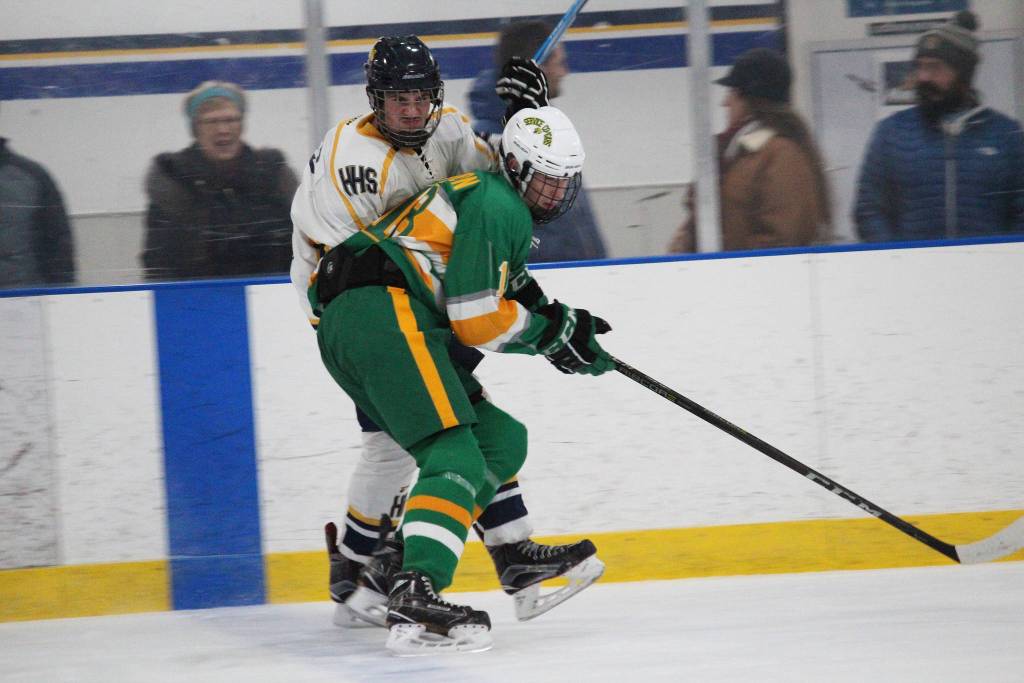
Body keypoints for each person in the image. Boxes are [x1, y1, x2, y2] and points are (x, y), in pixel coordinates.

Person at [290, 36, 604, 629]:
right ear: (373, 100)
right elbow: (380, 259)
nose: (410, 110)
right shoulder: (354, 161)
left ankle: (471, 556)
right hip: (354, 300)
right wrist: (541, 327)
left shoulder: (452, 131)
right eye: (396, 98)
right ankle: (390, 572)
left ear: (435, 95)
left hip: (405, 303)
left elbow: (499, 184)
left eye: (420, 96)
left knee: (489, 437)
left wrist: (524, 118)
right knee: (425, 444)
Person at [854, 11, 1024, 242]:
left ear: (963, 74)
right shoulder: (891, 133)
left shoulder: (1006, 136)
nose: (923, 77)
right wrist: (897, 259)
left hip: (988, 272)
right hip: (911, 273)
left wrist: (1002, 258)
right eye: (919, 67)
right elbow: (868, 209)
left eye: (935, 68)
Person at [468, 20, 607, 263]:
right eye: (560, 63)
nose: (565, 72)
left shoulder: (547, 134)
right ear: (537, 68)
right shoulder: (489, 147)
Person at [667, 48, 831, 253]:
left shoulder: (782, 154)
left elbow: (783, 239)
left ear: (750, 98)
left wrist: (730, 268)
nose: (724, 103)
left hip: (752, 280)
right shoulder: (737, 152)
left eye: (732, 93)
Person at [141, 81, 298, 281]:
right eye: (211, 121)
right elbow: (159, 262)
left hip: (272, 298)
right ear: (195, 129)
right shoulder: (174, 180)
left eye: (231, 119)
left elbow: (305, 243)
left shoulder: (273, 174)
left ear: (242, 125)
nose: (223, 129)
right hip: (197, 301)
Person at [0, 135, 75, 288]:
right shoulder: (32, 173)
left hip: (25, 296)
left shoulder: (32, 175)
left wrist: (62, 294)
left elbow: (57, 239)